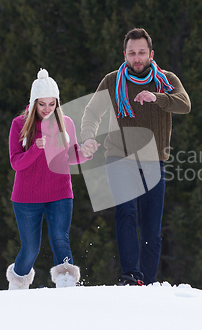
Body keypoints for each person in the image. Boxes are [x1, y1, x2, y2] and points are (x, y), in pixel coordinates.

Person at [80, 28, 191, 285]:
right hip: (119, 158)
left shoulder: (166, 79)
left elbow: (184, 103)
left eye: (142, 53)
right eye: (132, 53)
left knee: (152, 228)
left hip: (154, 161)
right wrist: (88, 136)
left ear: (151, 54)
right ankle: (131, 276)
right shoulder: (112, 81)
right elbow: (92, 112)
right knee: (126, 214)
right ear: (125, 54)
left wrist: (158, 97)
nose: (137, 58)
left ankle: (148, 283)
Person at [6, 68, 92, 290]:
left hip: (60, 192)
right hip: (26, 196)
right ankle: (17, 283)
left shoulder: (66, 123)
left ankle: (66, 285)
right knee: (30, 248)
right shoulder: (19, 125)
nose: (47, 109)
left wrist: (86, 152)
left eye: (51, 104)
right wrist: (35, 148)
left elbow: (71, 156)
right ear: (34, 102)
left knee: (60, 238)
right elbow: (16, 163)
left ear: (57, 102)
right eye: (41, 104)